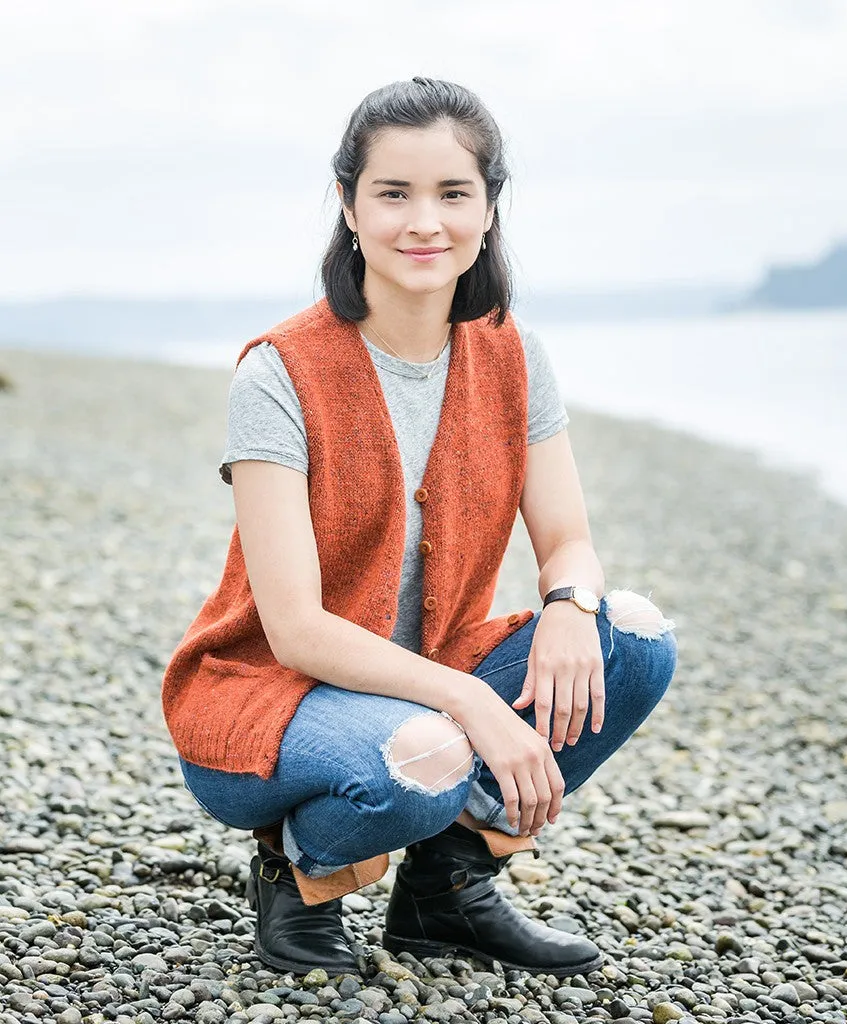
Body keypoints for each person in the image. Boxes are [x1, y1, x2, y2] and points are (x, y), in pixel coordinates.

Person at [161, 76, 677, 980]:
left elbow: (567, 539)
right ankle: (301, 872)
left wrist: (565, 604)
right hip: (272, 697)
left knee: (629, 637)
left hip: (431, 675)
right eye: (392, 193)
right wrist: (474, 702)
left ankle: (447, 892)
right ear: (348, 205)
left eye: (452, 193)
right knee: (428, 751)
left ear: (489, 206)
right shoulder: (279, 373)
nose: (422, 222)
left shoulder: (512, 351)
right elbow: (296, 628)